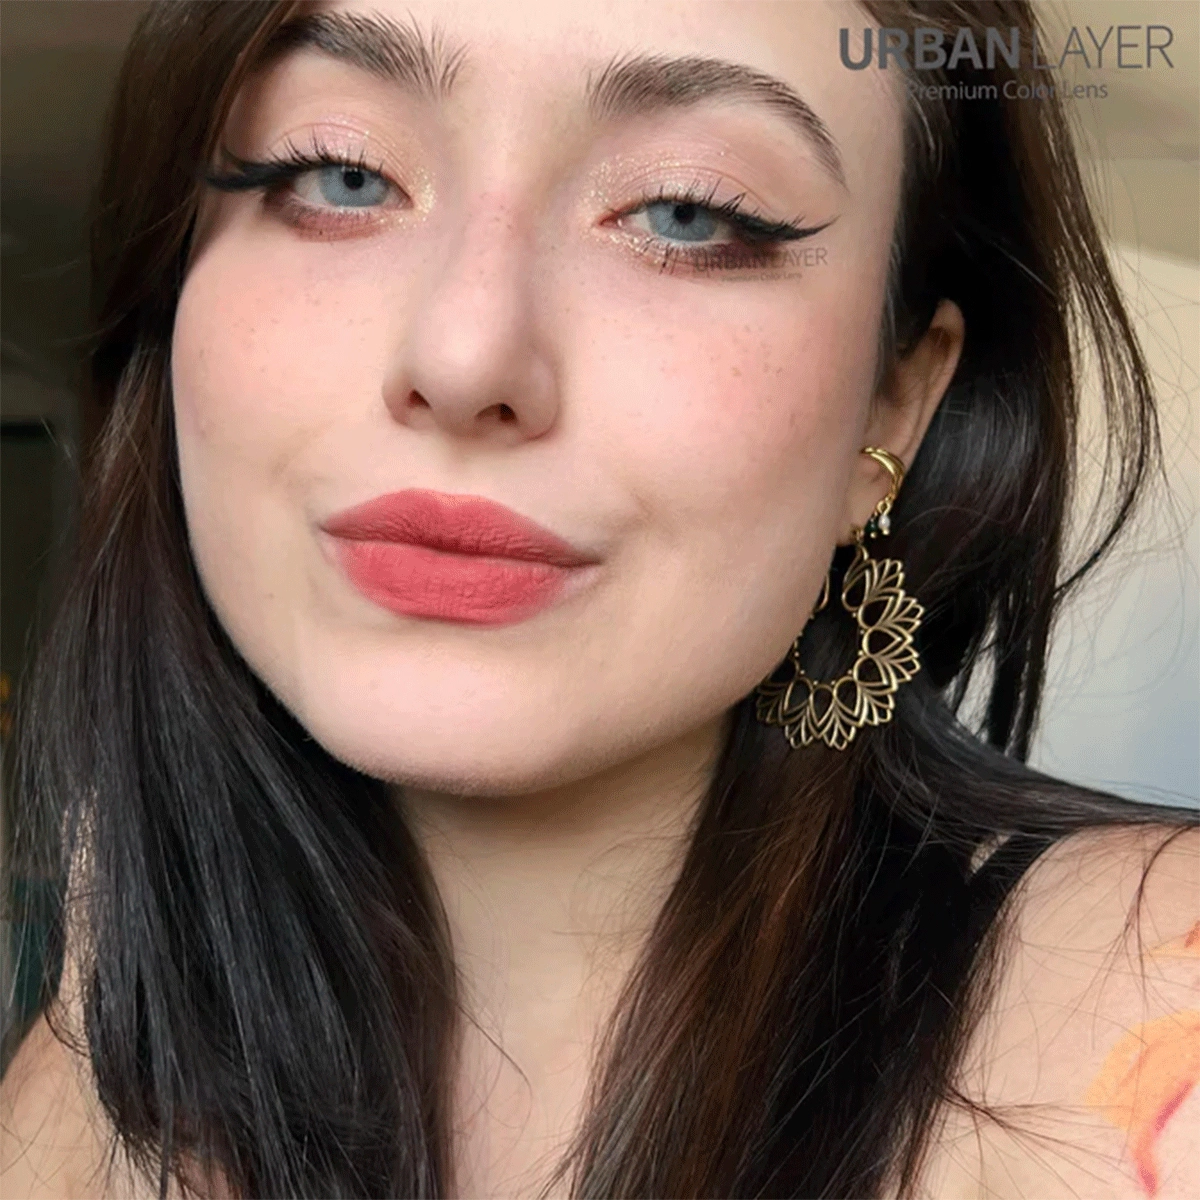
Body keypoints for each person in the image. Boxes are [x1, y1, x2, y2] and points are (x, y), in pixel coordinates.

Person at [1, 1, 1197, 1197]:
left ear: (894, 407)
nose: (465, 357)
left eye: (688, 212)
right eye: (341, 173)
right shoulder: (71, 1088)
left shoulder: (1148, 1005)